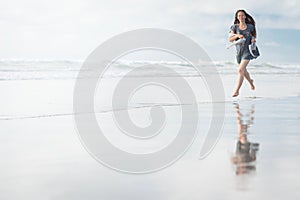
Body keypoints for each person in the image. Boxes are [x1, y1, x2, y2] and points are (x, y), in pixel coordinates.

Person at [229, 9, 259, 97]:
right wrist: (237, 36)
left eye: (242, 15)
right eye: (239, 16)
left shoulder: (250, 27)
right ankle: (251, 82)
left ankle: (237, 91)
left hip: (248, 51)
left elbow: (253, 35)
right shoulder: (234, 27)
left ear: (245, 16)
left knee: (240, 70)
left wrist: (253, 39)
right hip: (239, 52)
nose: (241, 17)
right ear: (237, 17)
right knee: (243, 71)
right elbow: (230, 39)